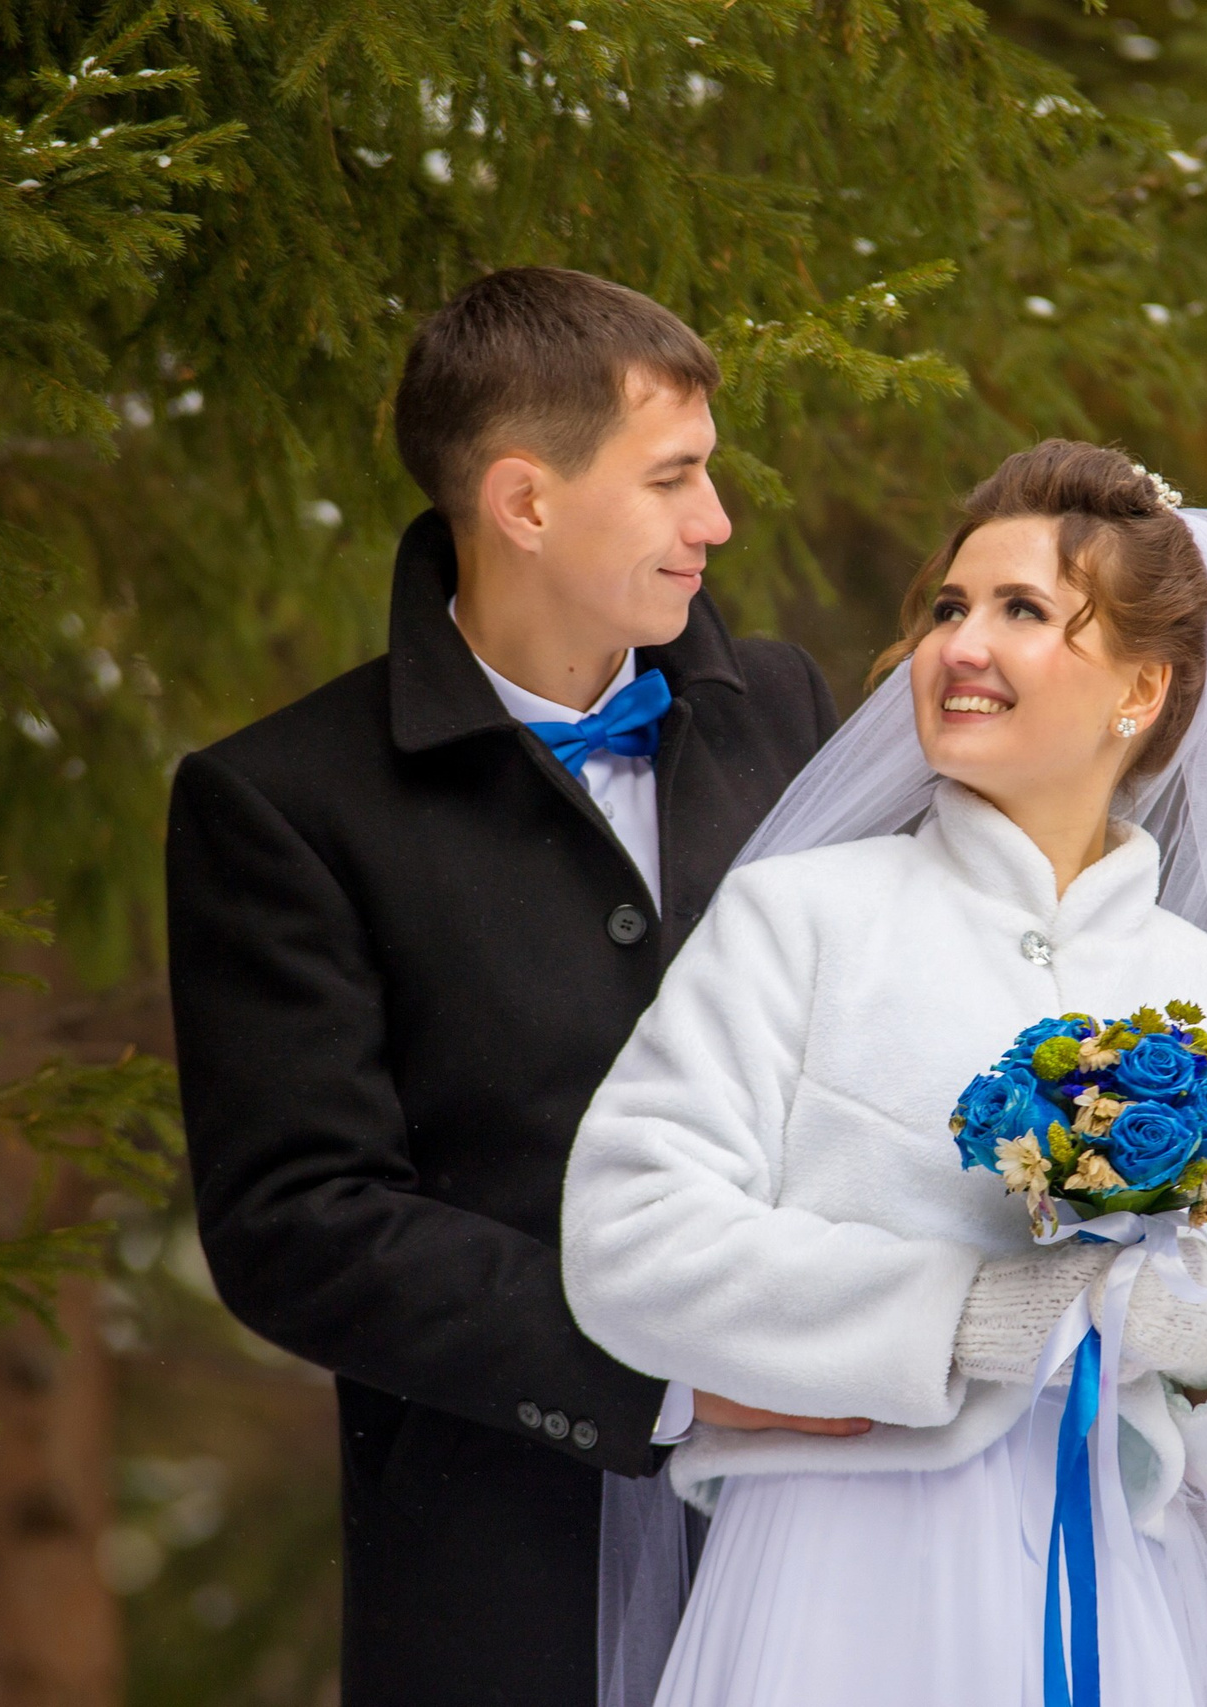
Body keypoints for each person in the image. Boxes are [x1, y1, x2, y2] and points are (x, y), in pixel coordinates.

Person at [165, 267, 856, 1707]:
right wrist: (674, 1379)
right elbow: (301, 1221)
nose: (716, 521)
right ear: (526, 503)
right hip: (504, 1561)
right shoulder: (281, 802)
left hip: (835, 1527)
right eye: (674, 478)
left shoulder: (784, 705)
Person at [562, 441, 1207, 1706]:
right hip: (830, 1590)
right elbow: (626, 1244)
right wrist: (956, 1314)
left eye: (1021, 612)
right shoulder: (797, 921)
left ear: (1141, 690)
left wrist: (1202, 1338)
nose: (958, 647)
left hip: (1125, 1613)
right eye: (947, 608)